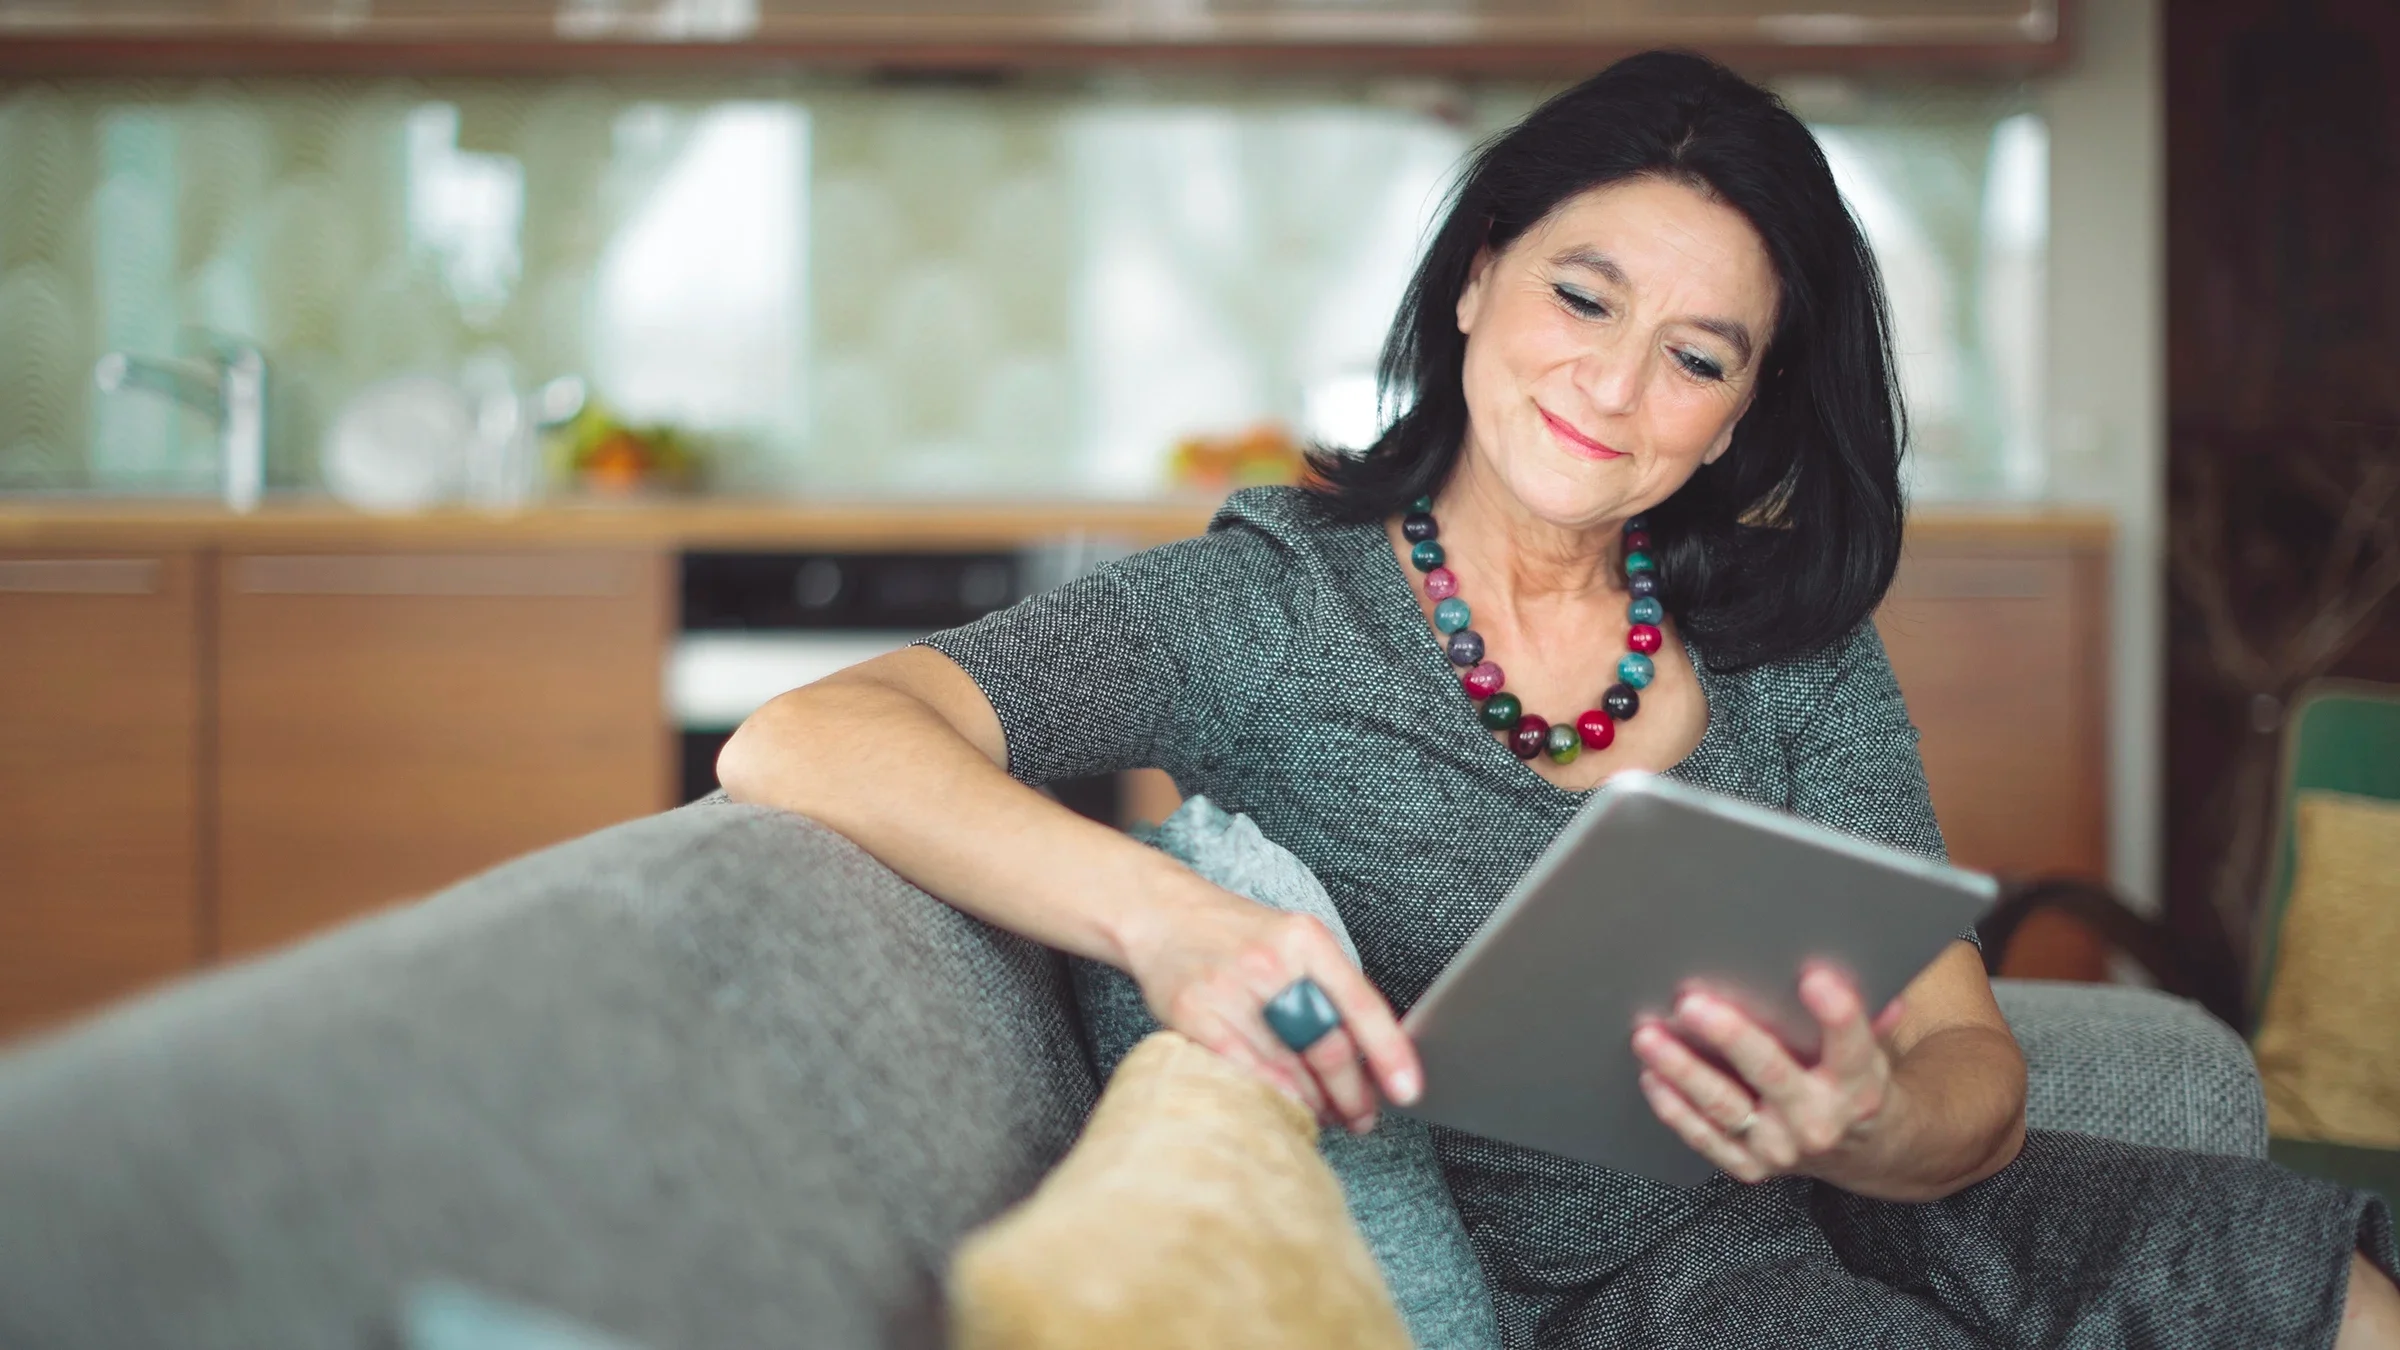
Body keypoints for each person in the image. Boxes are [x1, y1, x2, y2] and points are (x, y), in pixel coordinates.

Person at [722, 50, 2400, 1349]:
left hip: (1891, 1206)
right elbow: (805, 733)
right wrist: (1173, 923)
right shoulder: (1268, 609)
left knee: (2307, 1282)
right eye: (1582, 296)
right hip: (1645, 1299)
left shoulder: (1789, 644)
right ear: (1476, 281)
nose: (1612, 382)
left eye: (1698, 353)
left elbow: (1973, 1073)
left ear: (1741, 413)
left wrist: (1868, 1120)